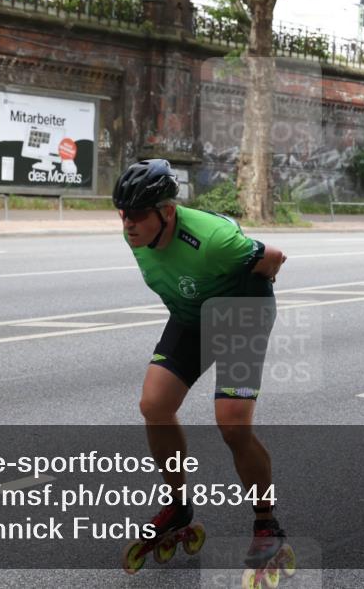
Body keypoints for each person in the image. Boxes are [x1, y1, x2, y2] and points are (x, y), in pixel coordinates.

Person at [113, 159, 288, 570]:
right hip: (191, 317)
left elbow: (275, 258)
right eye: (122, 213)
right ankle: (178, 508)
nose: (128, 223)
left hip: (240, 315)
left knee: (232, 423)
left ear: (167, 212)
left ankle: (266, 523)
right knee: (154, 404)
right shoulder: (135, 234)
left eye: (137, 213)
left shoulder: (216, 239)